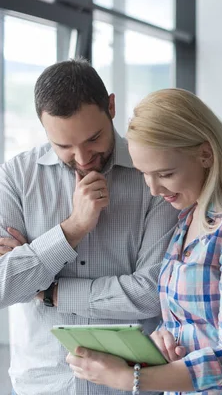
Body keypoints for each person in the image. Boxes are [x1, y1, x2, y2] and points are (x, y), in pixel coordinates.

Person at [65, 88, 222, 394]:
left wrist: (127, 378)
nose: (153, 189)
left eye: (165, 173)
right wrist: (164, 338)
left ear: (205, 154)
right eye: (144, 174)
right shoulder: (187, 221)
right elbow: (192, 321)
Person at [0, 59, 178, 395]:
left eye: (93, 138)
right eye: (64, 146)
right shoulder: (16, 177)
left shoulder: (152, 176)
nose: (82, 158)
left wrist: (50, 292)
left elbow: (152, 293)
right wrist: (72, 230)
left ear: (111, 106)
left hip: (131, 384)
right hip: (42, 384)